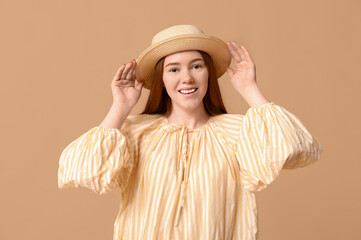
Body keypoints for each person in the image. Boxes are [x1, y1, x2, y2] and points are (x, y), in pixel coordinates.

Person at [58, 25, 323, 240]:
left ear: (209, 72)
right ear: (162, 78)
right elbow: (82, 171)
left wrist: (250, 89)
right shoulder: (135, 133)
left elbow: (296, 149)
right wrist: (120, 107)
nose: (187, 78)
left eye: (197, 66)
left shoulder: (238, 132)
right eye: (174, 69)